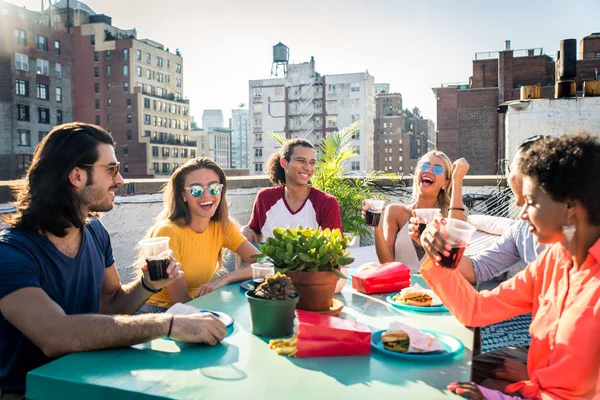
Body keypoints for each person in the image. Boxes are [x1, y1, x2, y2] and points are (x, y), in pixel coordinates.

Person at [0, 123, 227, 398]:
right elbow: (54, 335)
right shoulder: (11, 252)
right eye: (111, 170)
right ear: (76, 176)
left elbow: (111, 303)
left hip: (93, 375)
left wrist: (147, 285)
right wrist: (170, 324)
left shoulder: (95, 231)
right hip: (35, 392)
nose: (119, 180)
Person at [420, 133, 600, 399]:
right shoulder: (552, 261)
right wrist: (438, 256)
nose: (522, 212)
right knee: (444, 373)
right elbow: (476, 309)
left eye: (531, 202)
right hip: (536, 382)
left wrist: (498, 396)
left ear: (570, 206)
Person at [408, 136, 548, 384]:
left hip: (560, 372)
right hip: (542, 353)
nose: (522, 215)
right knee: (460, 372)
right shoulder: (540, 263)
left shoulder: (584, 265)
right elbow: (476, 300)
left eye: (528, 203)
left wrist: (539, 377)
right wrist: (436, 250)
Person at [138, 157, 258, 312]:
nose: (207, 195)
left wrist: (226, 278)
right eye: (196, 190)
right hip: (159, 311)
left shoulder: (222, 227)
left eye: (214, 188)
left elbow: (265, 264)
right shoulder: (168, 231)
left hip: (195, 306)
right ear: (183, 195)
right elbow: (180, 301)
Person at [365, 150, 468, 273]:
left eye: (437, 169)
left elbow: (452, 258)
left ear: (445, 184)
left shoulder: (451, 216)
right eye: (424, 166)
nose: (428, 171)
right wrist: (376, 226)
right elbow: (387, 264)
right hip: (401, 289)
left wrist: (457, 180)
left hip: (436, 289)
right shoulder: (395, 212)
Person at [242, 138, 342, 243]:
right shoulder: (265, 198)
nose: (308, 168)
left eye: (312, 162)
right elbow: (253, 234)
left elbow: (333, 250)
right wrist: (245, 230)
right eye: (301, 161)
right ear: (284, 163)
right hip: (269, 260)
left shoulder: (327, 203)